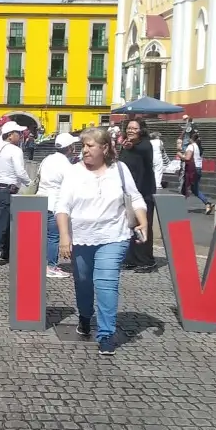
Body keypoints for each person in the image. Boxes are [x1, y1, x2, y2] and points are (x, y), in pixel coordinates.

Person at [55, 127, 148, 356]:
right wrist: (65, 237)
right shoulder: (74, 172)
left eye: (90, 146)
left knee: (106, 282)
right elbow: (62, 206)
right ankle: (85, 317)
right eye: (84, 145)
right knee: (84, 281)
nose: (84, 150)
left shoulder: (120, 169)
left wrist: (144, 222)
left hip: (113, 236)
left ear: (104, 148)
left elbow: (135, 197)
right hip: (82, 237)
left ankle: (106, 334)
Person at [0, 121, 30, 266]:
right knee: (2, 224)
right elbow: (20, 172)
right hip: (6, 191)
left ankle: (7, 251)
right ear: (10, 136)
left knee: (7, 222)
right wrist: (31, 183)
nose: (21, 136)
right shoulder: (15, 151)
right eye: (19, 133)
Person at [36, 132, 80, 278]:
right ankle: (51, 266)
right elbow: (72, 186)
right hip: (54, 203)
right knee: (53, 237)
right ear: (70, 148)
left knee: (43, 236)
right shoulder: (66, 165)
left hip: (40, 200)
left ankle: (41, 263)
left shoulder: (48, 159)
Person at [118, 118, 157, 272]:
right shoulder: (126, 146)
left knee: (143, 226)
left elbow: (142, 150)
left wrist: (131, 146)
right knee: (130, 226)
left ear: (141, 130)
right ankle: (131, 259)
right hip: (129, 193)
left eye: (135, 128)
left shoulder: (145, 144)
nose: (131, 130)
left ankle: (147, 261)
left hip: (144, 192)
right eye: (129, 128)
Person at [179, 131, 214, 214]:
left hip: (192, 170)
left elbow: (187, 158)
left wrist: (180, 155)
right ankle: (207, 203)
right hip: (197, 169)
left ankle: (179, 206)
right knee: (194, 189)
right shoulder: (197, 146)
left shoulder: (190, 147)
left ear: (190, 138)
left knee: (185, 187)